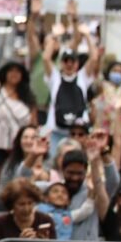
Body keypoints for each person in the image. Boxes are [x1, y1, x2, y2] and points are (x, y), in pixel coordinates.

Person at [43, 24, 99, 152]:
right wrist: (54, 36)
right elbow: (46, 58)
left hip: (78, 132)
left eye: (72, 61)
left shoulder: (82, 77)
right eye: (66, 60)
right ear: (61, 63)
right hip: (56, 131)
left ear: (77, 63)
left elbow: (94, 58)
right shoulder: (55, 78)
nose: (69, 64)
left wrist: (87, 36)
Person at [0, 61, 37, 181]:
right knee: (0, 178)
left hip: (22, 146)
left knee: (20, 177)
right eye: (11, 71)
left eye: (18, 71)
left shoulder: (28, 95)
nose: (14, 74)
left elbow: (33, 123)